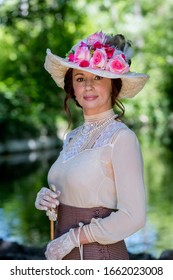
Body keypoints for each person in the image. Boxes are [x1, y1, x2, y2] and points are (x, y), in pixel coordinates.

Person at [35, 31, 149, 260]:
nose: (88, 86)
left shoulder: (121, 138)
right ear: (73, 90)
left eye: (97, 77)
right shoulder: (72, 137)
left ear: (112, 85)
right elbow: (79, 194)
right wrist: (49, 202)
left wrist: (73, 238)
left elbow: (134, 216)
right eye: (80, 78)